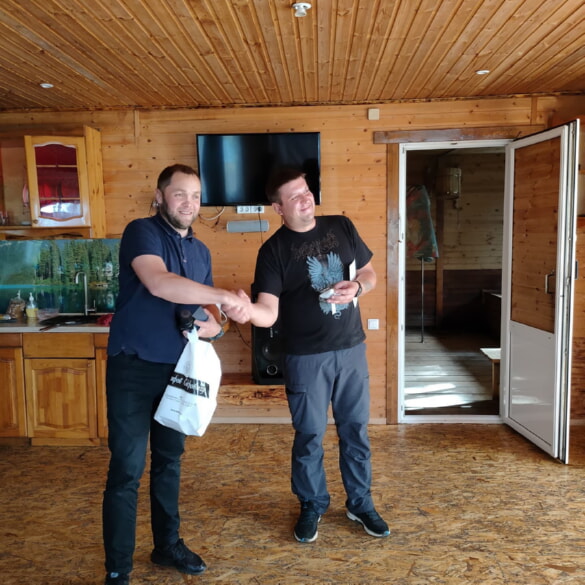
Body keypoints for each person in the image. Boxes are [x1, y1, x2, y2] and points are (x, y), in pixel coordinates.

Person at [226, 166, 390, 543]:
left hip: (351, 349)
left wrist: (359, 288)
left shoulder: (342, 226)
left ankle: (360, 503)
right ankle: (312, 503)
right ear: (278, 208)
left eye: (306, 191)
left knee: (355, 431)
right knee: (310, 435)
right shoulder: (272, 251)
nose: (305, 199)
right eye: (295, 196)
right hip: (305, 358)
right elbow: (268, 312)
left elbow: (368, 272)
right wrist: (246, 311)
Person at [102, 164, 246, 585]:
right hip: (132, 367)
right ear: (160, 196)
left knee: (169, 462)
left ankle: (166, 546)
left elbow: (206, 315)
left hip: (179, 372)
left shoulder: (201, 252)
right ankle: (118, 568)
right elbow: (160, 283)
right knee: (127, 469)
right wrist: (223, 297)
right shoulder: (141, 232)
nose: (189, 203)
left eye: (196, 195)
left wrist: (218, 324)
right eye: (180, 193)